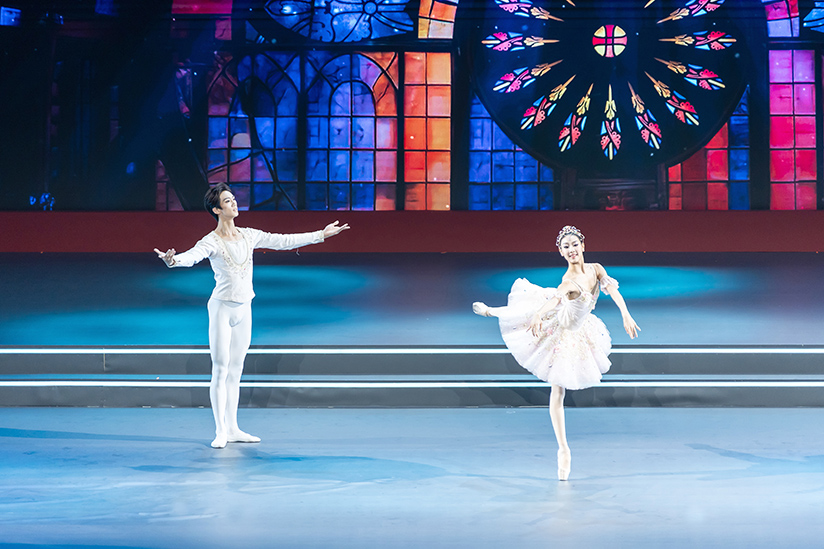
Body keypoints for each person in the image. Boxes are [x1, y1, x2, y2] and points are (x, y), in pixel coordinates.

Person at [154, 183, 349, 448]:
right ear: (216, 209)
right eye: (227, 201)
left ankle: (233, 428)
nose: (234, 203)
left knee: (236, 369)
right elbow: (192, 257)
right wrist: (173, 260)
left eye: (233, 199)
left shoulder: (249, 235)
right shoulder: (211, 241)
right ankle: (220, 431)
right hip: (222, 309)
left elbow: (284, 241)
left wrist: (320, 235)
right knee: (220, 369)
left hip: (244, 308)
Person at [472, 225, 639, 480]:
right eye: (566, 247)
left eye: (574, 244)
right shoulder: (568, 281)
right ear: (561, 252)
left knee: (556, 381)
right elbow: (556, 299)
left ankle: (496, 311)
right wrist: (541, 313)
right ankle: (563, 449)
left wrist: (625, 314)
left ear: (583, 245)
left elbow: (613, 290)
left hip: (581, 327)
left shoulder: (596, 268)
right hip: (562, 325)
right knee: (528, 317)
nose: (571, 250)